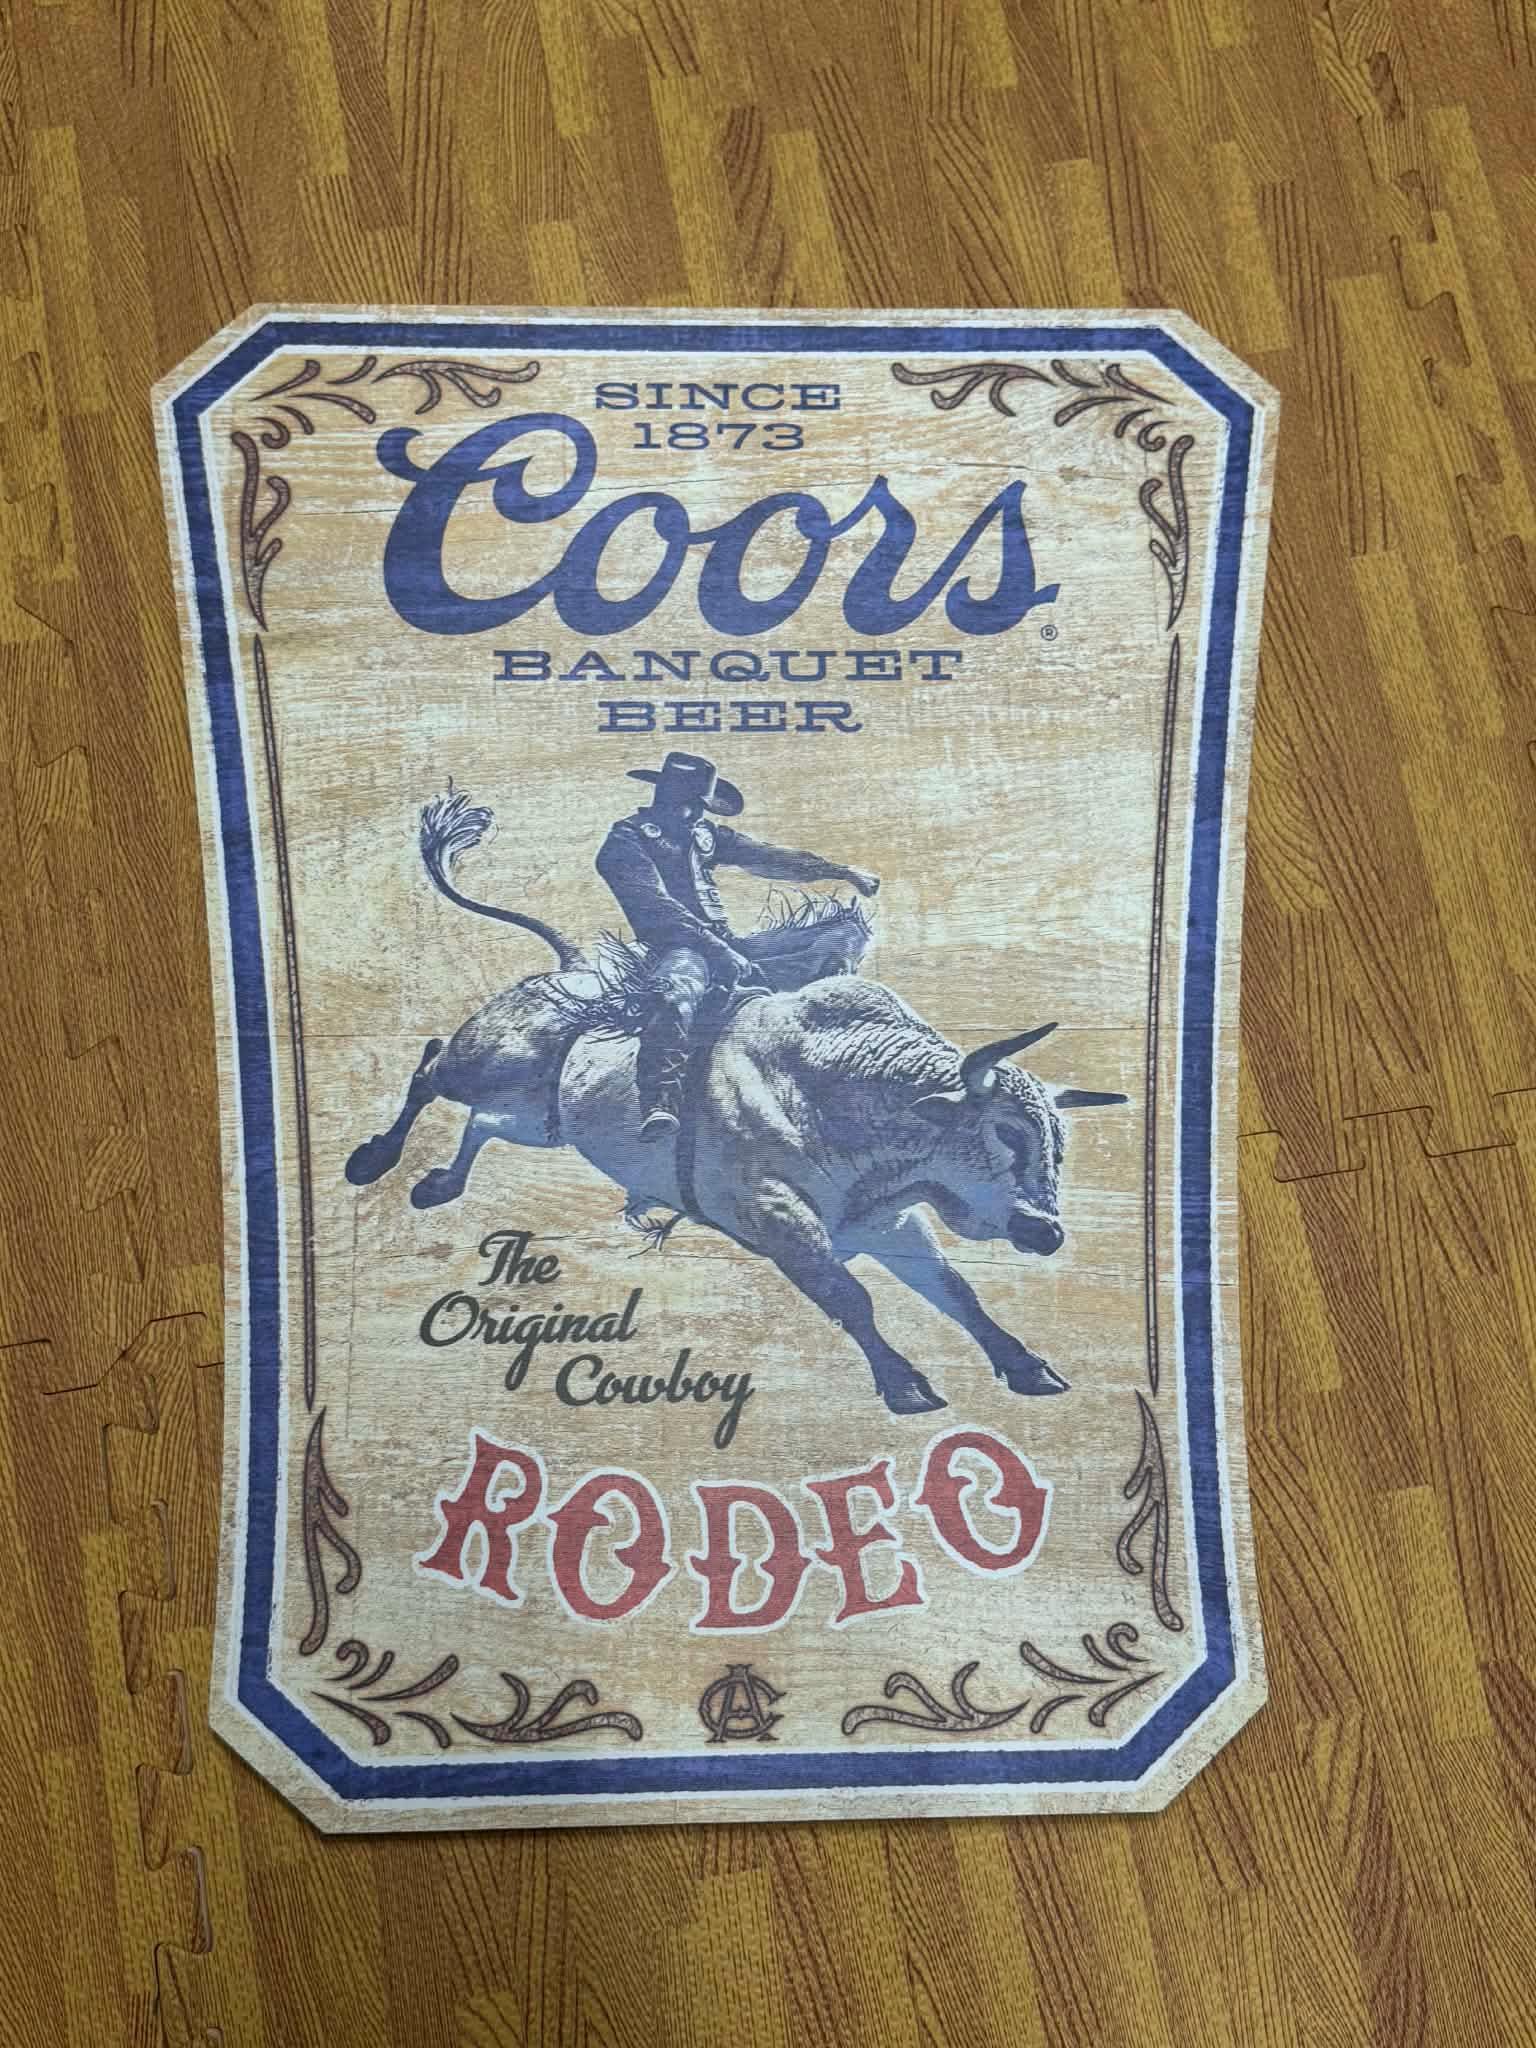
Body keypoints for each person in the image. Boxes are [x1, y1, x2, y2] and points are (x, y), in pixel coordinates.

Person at [595, 751, 879, 1140]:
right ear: (668, 798)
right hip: (680, 949)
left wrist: (841, 872)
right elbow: (656, 906)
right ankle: (660, 1101)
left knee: (846, 932)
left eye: (700, 806)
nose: (696, 814)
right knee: (673, 996)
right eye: (689, 805)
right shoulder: (627, 840)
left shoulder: (704, 834)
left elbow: (765, 855)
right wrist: (719, 952)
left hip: (729, 943)